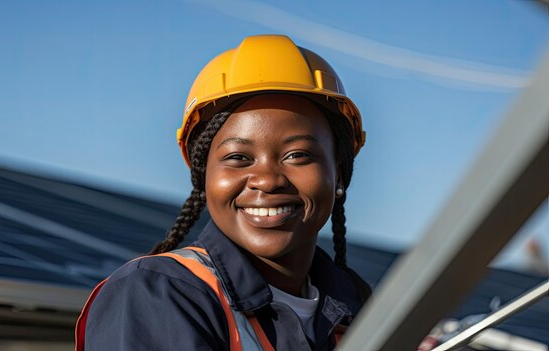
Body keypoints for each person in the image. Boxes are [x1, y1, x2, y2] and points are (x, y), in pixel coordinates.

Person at [76, 34, 371, 351]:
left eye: (298, 155)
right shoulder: (157, 293)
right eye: (238, 158)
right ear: (204, 177)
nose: (268, 180)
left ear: (338, 173)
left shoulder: (357, 303)